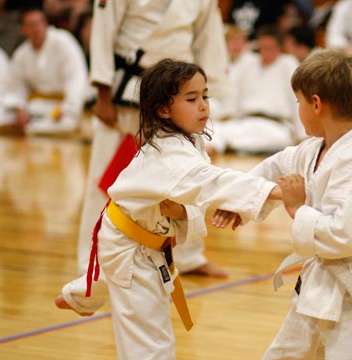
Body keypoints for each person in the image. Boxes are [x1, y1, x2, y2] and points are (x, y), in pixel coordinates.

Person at [55, 59, 282, 360]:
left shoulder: (187, 140)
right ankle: (85, 293)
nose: (203, 105)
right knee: (150, 341)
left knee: (119, 280)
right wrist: (275, 192)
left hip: (134, 235)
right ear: (163, 109)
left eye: (205, 96)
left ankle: (81, 295)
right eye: (191, 99)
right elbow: (211, 183)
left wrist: (186, 212)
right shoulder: (169, 153)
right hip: (130, 245)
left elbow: (195, 192)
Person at [248, 50, 352, 359]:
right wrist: (237, 204)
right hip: (314, 290)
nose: (297, 109)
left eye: (298, 101)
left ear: (315, 103)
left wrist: (297, 209)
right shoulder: (311, 150)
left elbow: (345, 236)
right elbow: (270, 171)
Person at [76, 0, 231, 278]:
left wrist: (207, 93)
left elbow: (209, 37)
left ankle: (188, 255)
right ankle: (95, 261)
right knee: (107, 178)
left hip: (179, 93)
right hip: (128, 88)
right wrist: (102, 90)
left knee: (184, 174)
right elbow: (103, 29)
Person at [0, 7, 88, 135]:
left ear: (45, 24)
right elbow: (16, 85)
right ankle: (33, 127)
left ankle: (36, 128)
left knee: (67, 123)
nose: (36, 28)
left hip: (63, 106)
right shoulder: (22, 53)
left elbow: (77, 78)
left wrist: (69, 107)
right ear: (23, 29)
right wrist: (19, 107)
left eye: (39, 23)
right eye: (31, 25)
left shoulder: (64, 42)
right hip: (38, 106)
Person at [207, 25, 303, 155]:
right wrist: (225, 115)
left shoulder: (288, 64)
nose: (265, 52)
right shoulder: (247, 63)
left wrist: (301, 135)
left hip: (276, 125)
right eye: (262, 48)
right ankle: (224, 147)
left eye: (270, 48)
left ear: (279, 48)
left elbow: (297, 99)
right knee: (214, 130)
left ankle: (232, 146)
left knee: (277, 139)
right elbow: (233, 95)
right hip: (246, 121)